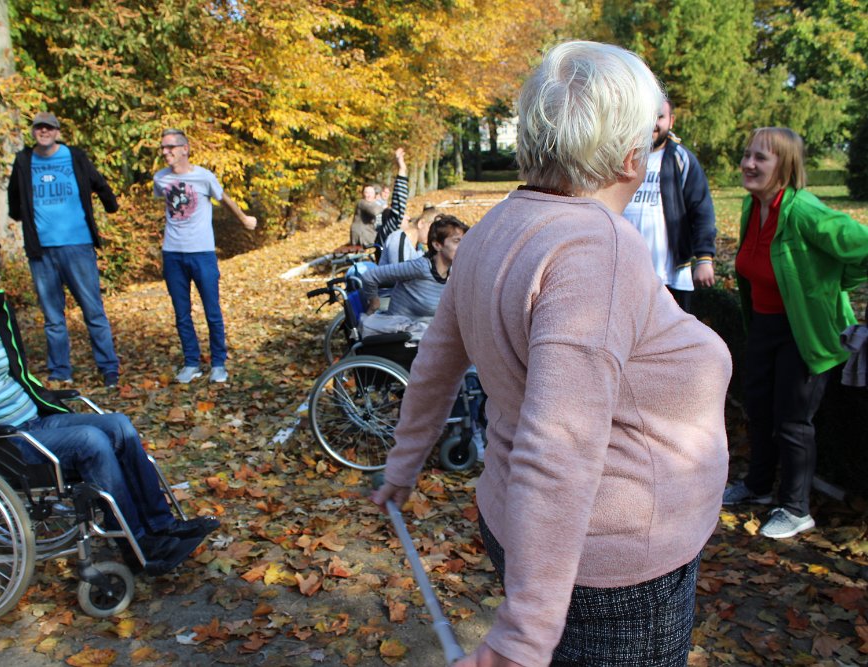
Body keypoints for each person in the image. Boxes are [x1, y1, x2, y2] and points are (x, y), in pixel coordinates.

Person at [371, 41, 731, 666]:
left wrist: (402, 466)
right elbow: (559, 443)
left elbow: (435, 363)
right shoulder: (597, 251)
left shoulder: (492, 227)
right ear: (630, 158)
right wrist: (523, 636)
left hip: (531, 532)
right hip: (608, 566)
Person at [0, 224, 218, 575]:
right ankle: (140, 547)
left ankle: (161, 527)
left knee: (118, 425)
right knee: (90, 441)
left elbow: (16, 374)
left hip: (32, 422)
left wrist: (46, 399)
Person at [722, 127, 868, 539]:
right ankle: (758, 486)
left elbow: (862, 246)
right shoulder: (753, 206)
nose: (748, 164)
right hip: (764, 325)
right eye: (747, 154)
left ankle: (796, 508)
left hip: (804, 333)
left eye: (760, 158)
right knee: (758, 408)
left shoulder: (804, 211)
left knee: (792, 421)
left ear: (784, 165)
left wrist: (833, 286)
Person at [7, 111, 122, 388]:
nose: (44, 132)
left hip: (77, 245)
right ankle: (60, 371)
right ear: (33, 132)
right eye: (39, 128)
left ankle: (109, 368)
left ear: (57, 132)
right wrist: (20, 216)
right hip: (41, 251)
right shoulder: (24, 160)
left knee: (93, 311)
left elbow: (99, 182)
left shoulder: (75, 156)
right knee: (52, 317)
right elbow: (14, 195)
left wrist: (111, 205)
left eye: (49, 128)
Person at [153, 129, 258, 384]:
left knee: (212, 311)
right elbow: (165, 206)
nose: (165, 152)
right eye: (163, 148)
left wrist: (244, 218)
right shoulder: (160, 178)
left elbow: (224, 198)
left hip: (202, 253)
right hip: (172, 254)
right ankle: (191, 363)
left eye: (170, 147)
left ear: (185, 149)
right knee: (181, 313)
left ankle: (218, 363)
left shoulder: (204, 177)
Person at [621, 99, 717, 312]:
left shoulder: (680, 158)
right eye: (647, 116)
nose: (653, 123)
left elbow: (702, 210)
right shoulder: (623, 158)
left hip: (670, 275)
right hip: (627, 274)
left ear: (671, 121)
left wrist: (704, 258)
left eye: (660, 117)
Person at [359, 215, 468, 339]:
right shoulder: (420, 267)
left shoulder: (449, 272)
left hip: (425, 335)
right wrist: (374, 303)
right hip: (400, 337)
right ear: (437, 245)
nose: (463, 246)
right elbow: (370, 276)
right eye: (457, 241)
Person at [350, 184, 384, 248]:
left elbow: (379, 221)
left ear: (374, 194)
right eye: (366, 192)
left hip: (367, 234)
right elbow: (374, 211)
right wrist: (384, 207)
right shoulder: (362, 203)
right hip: (362, 235)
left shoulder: (373, 204)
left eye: (371, 193)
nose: (369, 195)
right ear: (363, 194)